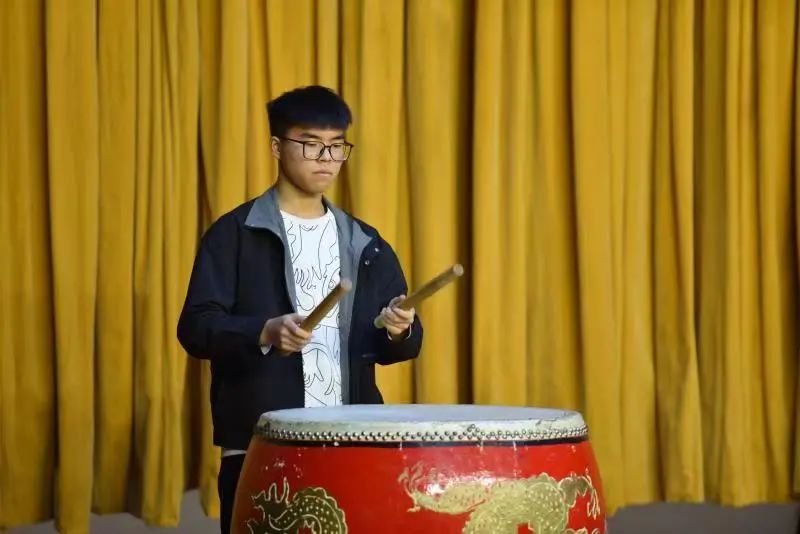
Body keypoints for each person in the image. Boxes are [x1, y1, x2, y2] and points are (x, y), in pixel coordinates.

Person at [177, 85, 423, 533]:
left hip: (353, 442)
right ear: (277, 147)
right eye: (310, 144)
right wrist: (264, 331)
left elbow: (400, 347)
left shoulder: (365, 243)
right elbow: (195, 327)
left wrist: (398, 328)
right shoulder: (235, 234)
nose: (326, 158)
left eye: (336, 146)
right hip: (263, 442)